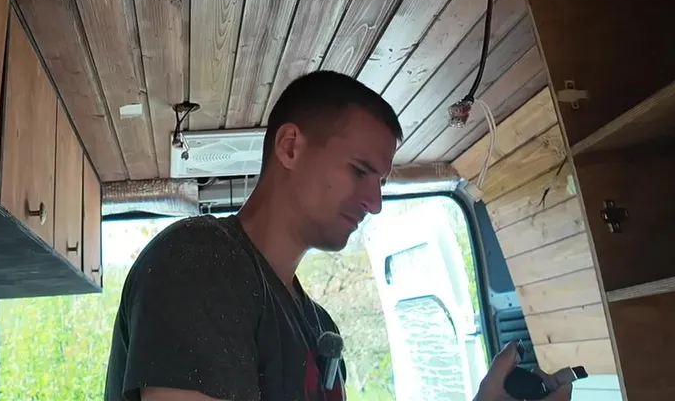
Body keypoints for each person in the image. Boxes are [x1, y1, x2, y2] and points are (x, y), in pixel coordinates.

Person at [105, 70, 572, 401]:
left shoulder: (318, 325)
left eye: (381, 182)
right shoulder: (198, 261)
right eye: (360, 171)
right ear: (290, 147)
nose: (375, 202)